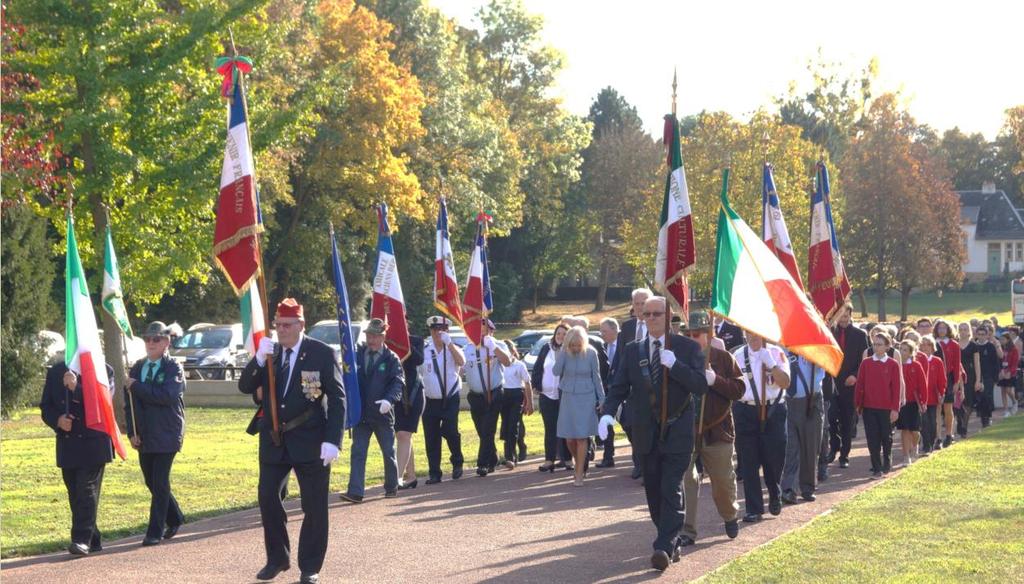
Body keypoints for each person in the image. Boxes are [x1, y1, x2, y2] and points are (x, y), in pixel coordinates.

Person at [238, 298, 345, 584]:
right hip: (274, 438)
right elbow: (245, 386)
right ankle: (277, 557)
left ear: (301, 325)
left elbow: (337, 397)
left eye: (287, 325)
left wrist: (333, 440)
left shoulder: (320, 353)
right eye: (277, 325)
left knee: (314, 505)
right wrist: (258, 360)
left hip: (311, 439)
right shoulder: (270, 353)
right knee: (267, 496)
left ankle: (310, 566)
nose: (281, 330)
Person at [598, 296, 708, 571]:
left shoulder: (686, 348)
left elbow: (700, 386)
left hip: (678, 427)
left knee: (671, 486)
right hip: (646, 430)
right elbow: (619, 386)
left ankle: (663, 545)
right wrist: (607, 413)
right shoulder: (634, 350)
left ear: (668, 316)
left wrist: (676, 366)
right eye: (645, 314)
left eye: (656, 314)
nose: (650, 319)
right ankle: (671, 541)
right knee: (654, 490)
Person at [679, 310, 744, 547]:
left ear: (708, 334)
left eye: (698, 334)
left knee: (722, 482)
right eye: (689, 334)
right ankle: (687, 530)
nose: (693, 338)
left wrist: (715, 380)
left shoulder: (724, 358)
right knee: (687, 479)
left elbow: (739, 390)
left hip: (717, 429)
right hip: (686, 430)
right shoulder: (679, 359)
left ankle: (729, 515)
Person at [40, 360, 116, 556]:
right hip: (68, 443)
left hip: (94, 442)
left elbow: (104, 402)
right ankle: (94, 538)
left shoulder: (103, 370)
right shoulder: (57, 371)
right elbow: (46, 406)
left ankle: (81, 539)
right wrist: (57, 420)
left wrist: (76, 388)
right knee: (74, 492)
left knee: (86, 489)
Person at [125, 321, 186, 546]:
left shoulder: (173, 368)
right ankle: (175, 517)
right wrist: (132, 432)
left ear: (166, 342)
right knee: (150, 481)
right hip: (145, 435)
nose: (151, 343)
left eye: (156, 339)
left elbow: (167, 396)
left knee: (160, 482)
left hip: (167, 433)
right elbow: (128, 404)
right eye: (148, 339)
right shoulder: (137, 367)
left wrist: (137, 386)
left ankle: (155, 531)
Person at [341, 318, 404, 503]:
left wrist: (389, 400)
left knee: (387, 451)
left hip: (382, 414)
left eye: (375, 336)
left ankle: (392, 486)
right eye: (369, 335)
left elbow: (398, 383)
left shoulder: (391, 358)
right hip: (361, 414)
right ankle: (355, 491)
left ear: (383, 337)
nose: (371, 340)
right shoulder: (358, 355)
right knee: (358, 451)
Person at [732, 331, 791, 522]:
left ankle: (774, 491)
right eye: (748, 332)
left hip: (773, 410)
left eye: (756, 332)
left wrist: (771, 365)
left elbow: (785, 382)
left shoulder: (776, 353)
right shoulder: (738, 355)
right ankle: (754, 508)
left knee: (774, 457)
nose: (752, 336)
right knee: (748, 461)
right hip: (745, 411)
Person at [554, 325, 605, 486]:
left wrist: (602, 398)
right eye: (572, 345)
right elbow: (556, 372)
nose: (575, 348)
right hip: (568, 395)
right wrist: (562, 353)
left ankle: (579, 474)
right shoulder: (564, 352)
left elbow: (596, 377)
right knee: (569, 438)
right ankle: (579, 463)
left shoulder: (591, 353)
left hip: (586, 396)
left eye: (578, 345)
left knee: (582, 436)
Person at [610, 288, 654, 479]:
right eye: (636, 303)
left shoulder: (658, 325)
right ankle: (639, 462)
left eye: (643, 303)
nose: (640, 307)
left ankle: (647, 466)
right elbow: (620, 358)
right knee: (630, 424)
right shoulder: (626, 328)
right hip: (631, 387)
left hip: (652, 386)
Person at [418, 316, 465, 484]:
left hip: (450, 398)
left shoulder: (453, 349)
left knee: (450, 431)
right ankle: (434, 473)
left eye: (442, 329)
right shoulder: (424, 350)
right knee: (431, 437)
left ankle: (457, 462)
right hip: (430, 400)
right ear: (430, 331)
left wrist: (450, 344)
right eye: (434, 329)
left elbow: (461, 362)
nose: (438, 332)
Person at [463, 319, 511, 476]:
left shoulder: (498, 346)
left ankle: (482, 464)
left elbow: (507, 362)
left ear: (491, 331)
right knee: (481, 429)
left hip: (494, 393)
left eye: (485, 331)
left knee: (487, 429)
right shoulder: (468, 348)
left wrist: (493, 347)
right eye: (479, 331)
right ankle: (493, 457)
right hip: (475, 396)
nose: (482, 334)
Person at [824, 304, 869, 469]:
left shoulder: (859, 335)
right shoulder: (829, 333)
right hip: (831, 381)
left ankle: (844, 454)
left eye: (845, 315)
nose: (843, 318)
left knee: (847, 420)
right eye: (840, 315)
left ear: (850, 315)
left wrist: (855, 376)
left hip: (849, 384)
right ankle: (834, 446)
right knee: (830, 418)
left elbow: (864, 360)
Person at [781, 351, 826, 505]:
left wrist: (817, 358)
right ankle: (789, 489)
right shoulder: (781, 350)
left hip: (812, 402)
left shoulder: (814, 349)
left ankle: (808, 487)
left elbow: (824, 368)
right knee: (790, 447)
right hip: (787, 402)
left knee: (810, 446)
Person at [854, 331, 901, 478]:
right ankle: (876, 467)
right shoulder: (866, 363)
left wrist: (895, 409)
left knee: (885, 437)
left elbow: (896, 388)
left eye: (879, 344)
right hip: (869, 407)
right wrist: (858, 404)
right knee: (872, 437)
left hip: (886, 408)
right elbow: (860, 384)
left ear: (887, 346)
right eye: (874, 344)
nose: (876, 347)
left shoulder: (892, 364)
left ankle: (887, 460)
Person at [533, 323, 572, 472]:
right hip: (547, 395)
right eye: (558, 334)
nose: (560, 337)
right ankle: (549, 459)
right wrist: (536, 384)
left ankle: (567, 459)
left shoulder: (571, 351)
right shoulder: (546, 348)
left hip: (564, 395)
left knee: (564, 428)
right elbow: (538, 368)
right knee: (550, 428)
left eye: (564, 334)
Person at [395, 330, 425, 489]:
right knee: (403, 436)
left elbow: (419, 359)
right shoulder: (387, 341)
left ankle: (397, 477)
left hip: (413, 393)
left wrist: (405, 342)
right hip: (394, 394)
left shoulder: (415, 339)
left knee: (403, 434)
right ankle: (411, 475)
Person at [499, 341, 534, 469]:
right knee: (506, 425)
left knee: (513, 425)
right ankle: (511, 450)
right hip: (503, 395)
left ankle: (510, 456)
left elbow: (527, 383)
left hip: (516, 395)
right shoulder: (499, 365)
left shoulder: (519, 365)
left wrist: (530, 402)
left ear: (513, 351)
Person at [896, 340, 928, 466]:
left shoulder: (916, 366)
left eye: (905, 350)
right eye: (900, 349)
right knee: (904, 429)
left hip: (913, 402)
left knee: (914, 430)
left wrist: (923, 401)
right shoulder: (896, 365)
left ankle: (914, 446)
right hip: (901, 402)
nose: (902, 352)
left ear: (910, 353)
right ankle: (906, 456)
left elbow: (922, 385)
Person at [934, 319, 962, 448]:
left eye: (944, 328)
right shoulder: (933, 343)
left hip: (949, 378)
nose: (941, 330)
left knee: (948, 407)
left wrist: (956, 381)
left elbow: (957, 364)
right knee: (937, 409)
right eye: (939, 328)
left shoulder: (954, 344)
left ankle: (949, 434)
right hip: (935, 378)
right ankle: (938, 437)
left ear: (948, 330)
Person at [596, 317, 620, 468]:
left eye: (604, 331)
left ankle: (638, 460)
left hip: (624, 390)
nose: (601, 334)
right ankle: (608, 456)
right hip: (607, 391)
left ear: (614, 330)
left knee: (628, 424)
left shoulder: (624, 346)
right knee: (606, 422)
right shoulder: (602, 347)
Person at [917, 336, 946, 456]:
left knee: (933, 421)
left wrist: (941, 392)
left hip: (933, 397)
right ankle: (926, 445)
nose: (925, 347)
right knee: (924, 421)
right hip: (921, 397)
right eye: (922, 345)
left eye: (928, 344)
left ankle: (933, 440)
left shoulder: (937, 361)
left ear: (932, 346)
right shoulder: (917, 360)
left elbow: (941, 379)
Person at [969, 324, 1001, 429]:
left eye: (983, 334)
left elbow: (995, 363)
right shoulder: (973, 346)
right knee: (980, 397)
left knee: (987, 396)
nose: (981, 336)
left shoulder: (990, 346)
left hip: (988, 377)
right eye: (979, 334)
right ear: (976, 335)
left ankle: (987, 417)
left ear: (987, 335)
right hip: (976, 376)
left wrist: (995, 377)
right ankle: (982, 415)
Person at [998, 332, 1019, 418]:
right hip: (1002, 371)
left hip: (1010, 372)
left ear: (1008, 339)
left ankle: (1014, 401)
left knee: (1008, 390)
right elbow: (999, 360)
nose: (1001, 341)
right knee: (1003, 391)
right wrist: (1001, 371)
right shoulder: (1001, 349)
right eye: (1000, 339)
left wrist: (1009, 372)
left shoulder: (1014, 349)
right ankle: (1006, 410)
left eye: (1003, 339)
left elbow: (1015, 363)